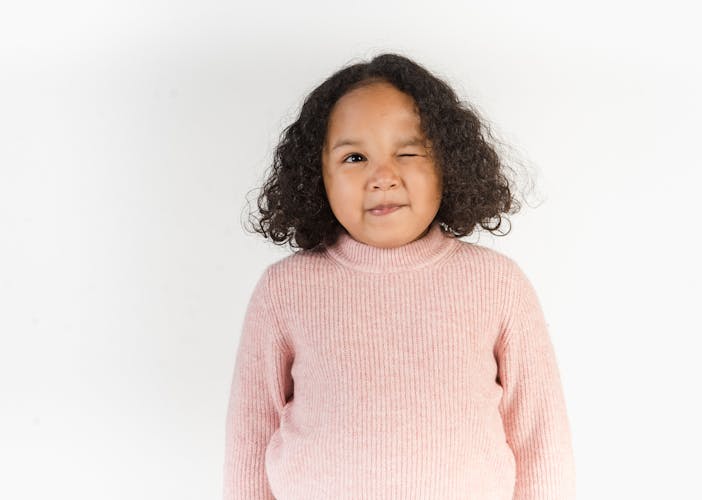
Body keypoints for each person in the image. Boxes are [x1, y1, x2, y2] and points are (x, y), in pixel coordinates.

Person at [222, 52, 576, 499]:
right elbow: (251, 440)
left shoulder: (498, 284)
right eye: (354, 157)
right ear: (318, 177)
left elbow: (541, 439)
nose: (382, 177)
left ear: (448, 164)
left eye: (407, 152)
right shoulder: (283, 290)